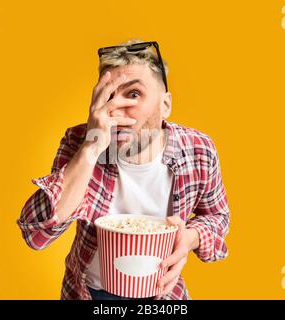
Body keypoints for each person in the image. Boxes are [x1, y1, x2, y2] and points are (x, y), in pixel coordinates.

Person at [17, 39, 230, 300]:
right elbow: (36, 235)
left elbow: (218, 217)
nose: (115, 107)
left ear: (165, 105)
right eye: (108, 95)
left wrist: (191, 236)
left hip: (162, 294)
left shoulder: (198, 150)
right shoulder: (79, 141)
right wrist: (91, 148)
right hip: (87, 293)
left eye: (133, 94)